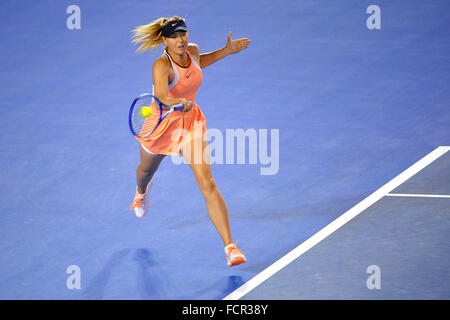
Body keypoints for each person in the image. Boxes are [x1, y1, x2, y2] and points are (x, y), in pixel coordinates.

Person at [130, 16, 250, 267]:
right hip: (162, 126)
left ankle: (230, 248)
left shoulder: (191, 51)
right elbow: (162, 95)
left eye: (183, 33)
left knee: (208, 183)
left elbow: (199, 63)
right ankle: (141, 192)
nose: (181, 39)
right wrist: (177, 103)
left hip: (190, 124)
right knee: (144, 171)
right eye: (174, 36)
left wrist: (226, 51)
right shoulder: (161, 66)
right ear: (164, 40)